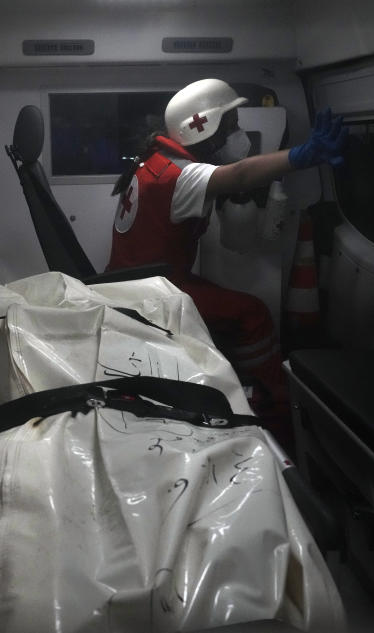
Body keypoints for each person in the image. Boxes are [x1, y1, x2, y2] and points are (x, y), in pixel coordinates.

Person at [106, 78, 347, 443]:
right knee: (252, 314)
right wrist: (302, 155)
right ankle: (272, 406)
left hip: (139, 281)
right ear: (201, 128)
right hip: (153, 291)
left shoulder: (155, 161)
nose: (238, 134)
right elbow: (240, 174)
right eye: (230, 125)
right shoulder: (181, 176)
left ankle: (238, 385)